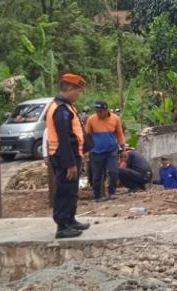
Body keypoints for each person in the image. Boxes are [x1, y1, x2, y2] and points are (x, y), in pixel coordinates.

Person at [45, 73, 90, 239]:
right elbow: (64, 138)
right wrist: (69, 163)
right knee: (64, 189)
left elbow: (75, 135)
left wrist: (81, 153)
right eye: (78, 91)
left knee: (72, 190)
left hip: (71, 154)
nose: (79, 94)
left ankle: (70, 219)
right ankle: (62, 225)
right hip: (64, 156)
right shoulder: (60, 109)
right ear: (70, 89)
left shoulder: (67, 106)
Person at [85, 100, 126, 202]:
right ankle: (98, 196)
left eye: (100, 111)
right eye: (97, 111)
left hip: (111, 150)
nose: (99, 113)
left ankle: (112, 192)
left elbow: (120, 134)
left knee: (113, 172)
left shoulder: (115, 119)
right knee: (97, 176)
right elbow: (87, 136)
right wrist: (86, 151)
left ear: (106, 110)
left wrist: (123, 149)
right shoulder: (91, 120)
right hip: (96, 152)